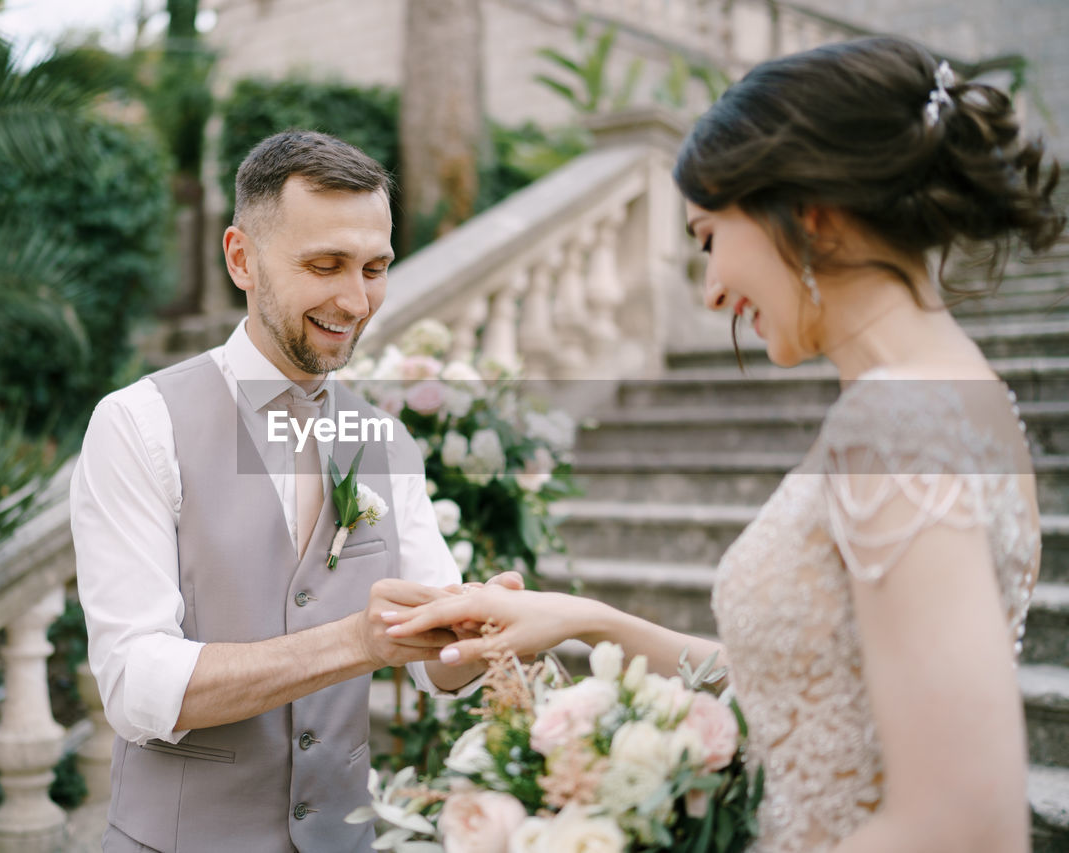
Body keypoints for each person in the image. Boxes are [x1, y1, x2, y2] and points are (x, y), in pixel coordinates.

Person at [385, 36, 1065, 853]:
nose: (709, 290)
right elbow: (821, 692)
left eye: (708, 236)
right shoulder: (959, 399)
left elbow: (962, 826)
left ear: (809, 210)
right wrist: (582, 619)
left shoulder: (899, 429)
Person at [71, 130, 516, 853]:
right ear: (241, 259)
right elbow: (135, 682)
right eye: (325, 264)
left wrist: (478, 627)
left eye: (375, 267)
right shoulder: (137, 423)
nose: (355, 298)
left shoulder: (387, 440)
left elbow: (438, 663)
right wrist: (353, 641)